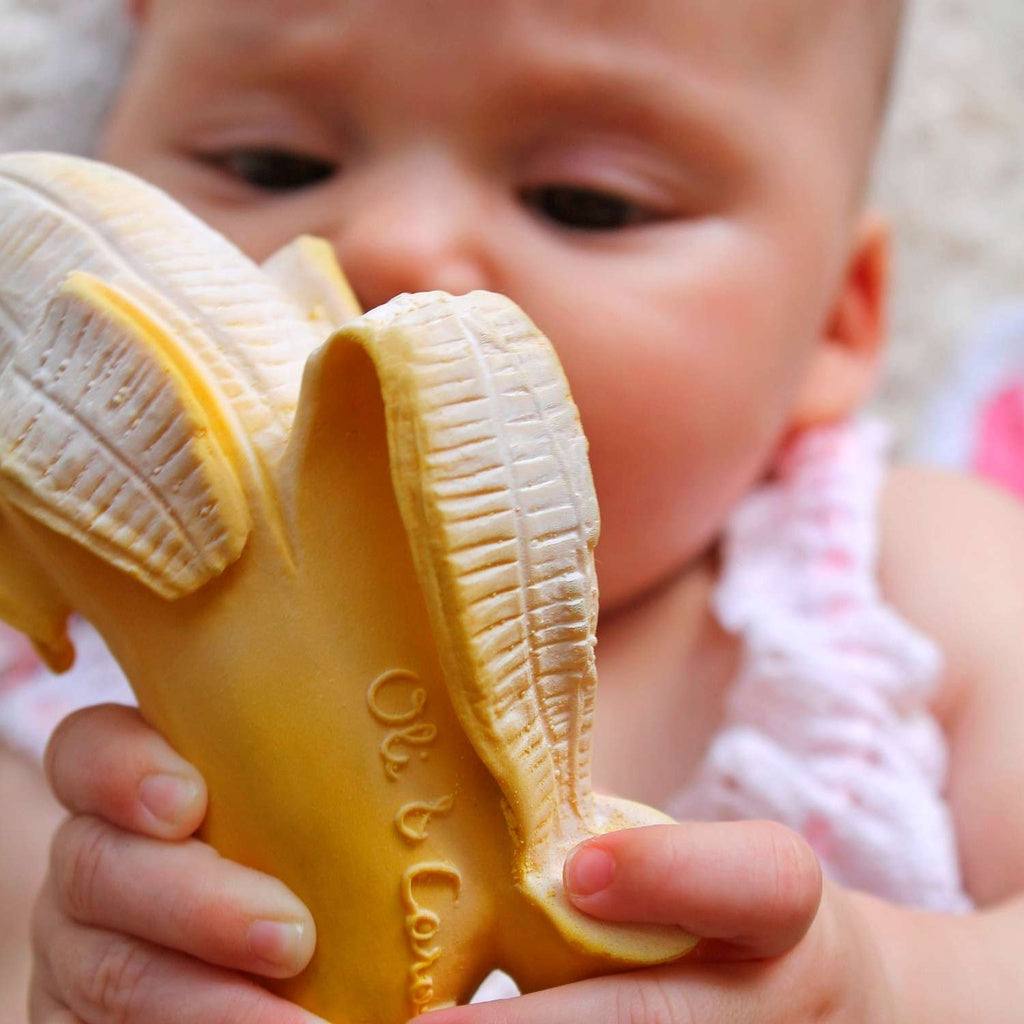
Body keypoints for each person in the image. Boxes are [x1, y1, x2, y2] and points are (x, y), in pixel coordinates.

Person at [15, 0, 1024, 1020]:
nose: (392, 247)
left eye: (582, 200)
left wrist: (886, 988)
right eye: (270, 163)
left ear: (834, 326)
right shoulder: (70, 732)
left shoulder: (918, 578)